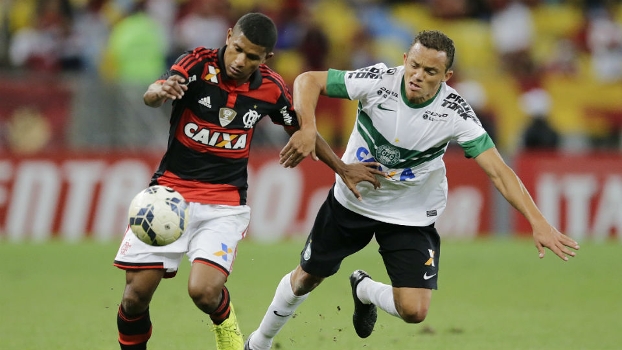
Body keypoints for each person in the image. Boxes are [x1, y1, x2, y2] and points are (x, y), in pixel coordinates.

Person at [244, 30, 581, 350]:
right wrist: (308, 129)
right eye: (414, 65)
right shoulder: (378, 81)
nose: (418, 75)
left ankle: (364, 290)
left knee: (415, 311)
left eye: (431, 71)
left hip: (411, 212)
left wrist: (538, 221)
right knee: (306, 278)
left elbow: (499, 171)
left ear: (447, 76)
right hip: (354, 199)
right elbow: (307, 80)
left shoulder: (455, 113)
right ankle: (259, 342)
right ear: (405, 59)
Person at [112, 12, 381, 350]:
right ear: (228, 36)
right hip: (169, 195)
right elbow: (153, 94)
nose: (240, 61)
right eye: (237, 49)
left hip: (223, 203)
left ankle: (231, 338)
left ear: (266, 57)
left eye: (252, 56)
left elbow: (299, 129)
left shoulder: (270, 88)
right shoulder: (196, 64)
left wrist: (342, 168)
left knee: (204, 292)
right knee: (135, 297)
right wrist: (161, 91)